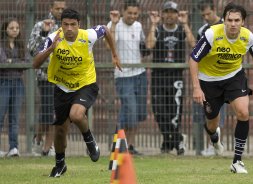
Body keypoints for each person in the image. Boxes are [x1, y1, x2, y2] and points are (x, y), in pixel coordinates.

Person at [33, 8, 121, 177]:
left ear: (79, 25)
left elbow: (106, 29)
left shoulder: (88, 36)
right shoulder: (53, 38)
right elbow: (35, 63)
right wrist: (51, 49)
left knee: (77, 115)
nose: (69, 29)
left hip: (85, 84)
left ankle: (89, 140)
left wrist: (114, 54)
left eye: (73, 25)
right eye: (66, 25)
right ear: (61, 25)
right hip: (62, 87)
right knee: (60, 131)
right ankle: (60, 164)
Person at [189, 2, 253, 173]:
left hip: (234, 77)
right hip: (209, 81)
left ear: (243, 22)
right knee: (212, 123)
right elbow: (193, 59)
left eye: (237, 20)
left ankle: (237, 162)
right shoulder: (211, 34)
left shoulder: (248, 37)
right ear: (223, 20)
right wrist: (196, 88)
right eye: (229, 20)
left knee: (243, 112)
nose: (233, 24)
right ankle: (214, 138)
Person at [147, 1, 195, 155]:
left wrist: (186, 24)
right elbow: (149, 46)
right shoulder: (158, 29)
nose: (169, 15)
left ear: (177, 14)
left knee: (174, 112)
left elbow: (194, 44)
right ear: (162, 14)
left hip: (176, 77)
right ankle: (178, 138)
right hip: (158, 76)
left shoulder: (181, 30)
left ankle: (168, 143)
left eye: (173, 12)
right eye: (166, 12)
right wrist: (153, 25)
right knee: (158, 110)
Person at [106, 0, 148, 155]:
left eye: (135, 13)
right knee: (129, 111)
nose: (132, 16)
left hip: (140, 74)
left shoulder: (138, 26)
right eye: (129, 13)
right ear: (123, 11)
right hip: (123, 76)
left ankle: (129, 146)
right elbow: (108, 46)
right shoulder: (113, 25)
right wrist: (114, 24)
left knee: (138, 114)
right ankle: (118, 145)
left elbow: (144, 47)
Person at [28, 0, 66, 157]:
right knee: (46, 113)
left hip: (63, 77)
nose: (60, 11)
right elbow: (31, 49)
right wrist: (45, 33)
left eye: (63, 8)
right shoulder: (40, 25)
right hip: (45, 76)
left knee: (57, 113)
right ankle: (37, 138)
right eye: (57, 8)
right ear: (51, 8)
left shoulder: (68, 26)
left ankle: (48, 147)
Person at [195, 0, 227, 157]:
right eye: (203, 15)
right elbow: (196, 54)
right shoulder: (202, 30)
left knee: (221, 112)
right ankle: (212, 145)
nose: (206, 17)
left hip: (225, 76)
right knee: (208, 112)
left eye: (208, 13)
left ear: (215, 9)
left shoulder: (227, 26)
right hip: (207, 78)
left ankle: (215, 144)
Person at [0, 18, 26, 157]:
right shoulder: (1, 45)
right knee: (0, 116)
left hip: (18, 83)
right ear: (5, 29)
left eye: (17, 27)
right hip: (3, 83)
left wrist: (12, 62)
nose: (15, 30)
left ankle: (13, 148)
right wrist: (16, 63)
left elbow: (26, 61)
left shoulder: (20, 45)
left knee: (14, 118)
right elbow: (3, 62)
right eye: (12, 28)